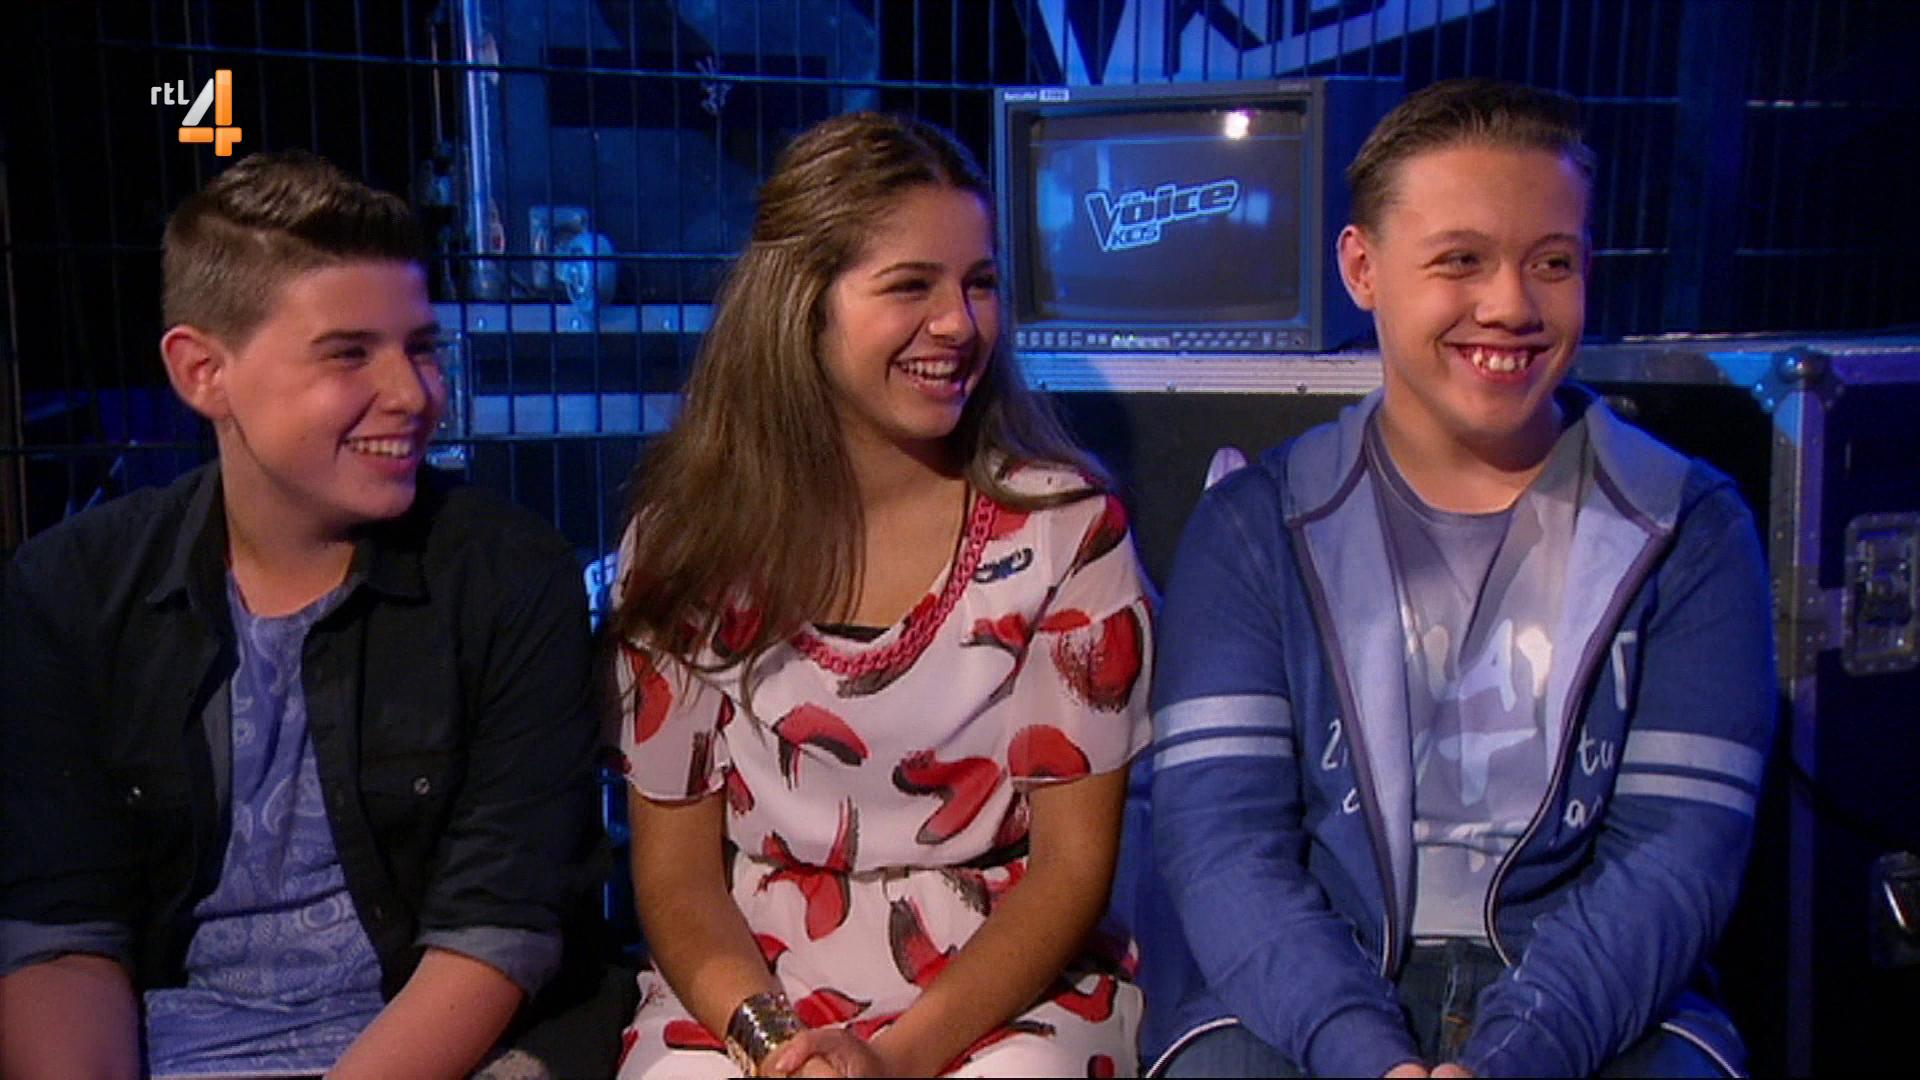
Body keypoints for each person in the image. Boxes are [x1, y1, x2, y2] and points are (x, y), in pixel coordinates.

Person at [1144, 79, 1776, 1078]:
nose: (1512, 305)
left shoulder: (1689, 527)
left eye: (1552, 263)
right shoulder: (1253, 527)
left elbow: (1674, 861)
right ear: (1363, 268)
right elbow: (1224, 850)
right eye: (1461, 261)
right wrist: (1367, 1054)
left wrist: (1518, 1055)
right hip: (1308, 992)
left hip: (1595, 1005)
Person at [0, 150, 603, 1079]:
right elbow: (60, 934)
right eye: (349, 353)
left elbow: (499, 931)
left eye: (422, 348)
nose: (413, 394)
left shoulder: (510, 576)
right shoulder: (68, 590)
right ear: (203, 371)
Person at [609, 112, 1153, 1078]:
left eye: (979, 283)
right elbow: (677, 879)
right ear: (802, 305)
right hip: (752, 988)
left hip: (1000, 991)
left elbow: (1072, 870)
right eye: (911, 286)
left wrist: (894, 1062)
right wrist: (777, 1049)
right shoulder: (682, 548)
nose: (959, 324)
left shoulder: (1067, 531)